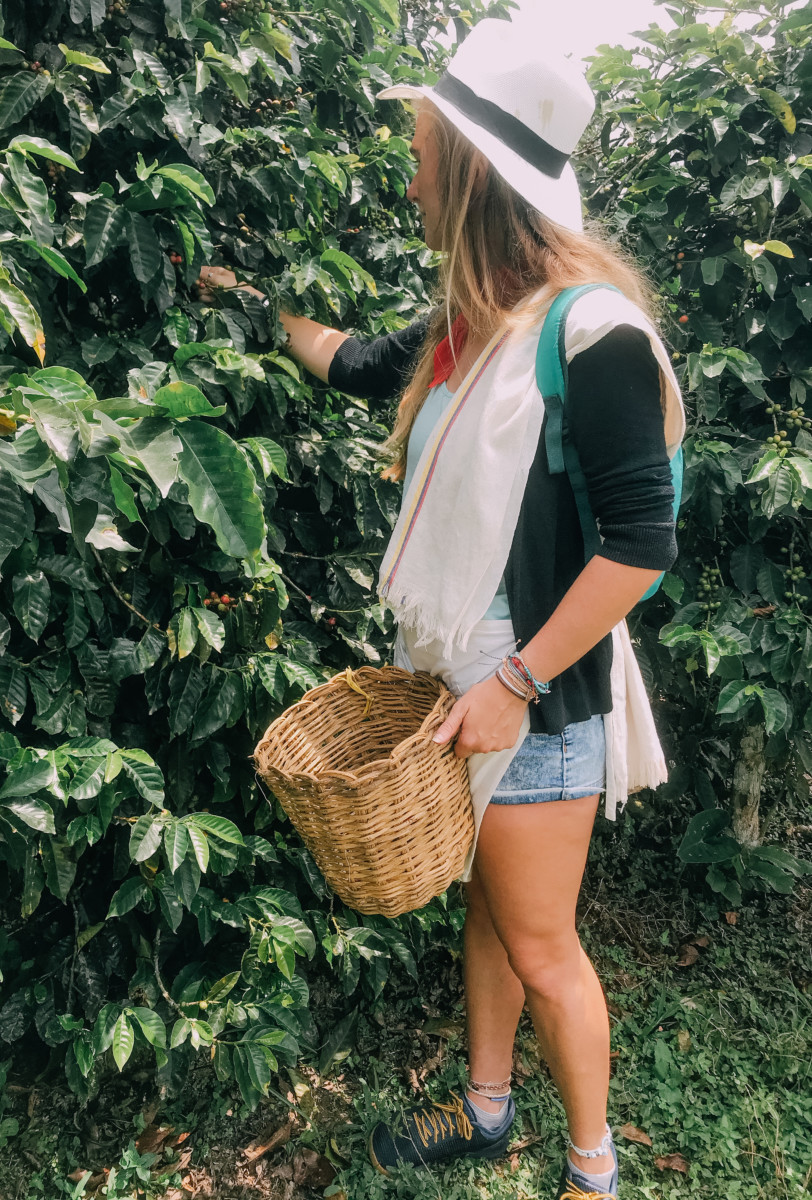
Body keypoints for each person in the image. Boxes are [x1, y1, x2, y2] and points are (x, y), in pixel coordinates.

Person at [198, 19, 684, 1200]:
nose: (410, 176)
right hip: (461, 692)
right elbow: (360, 361)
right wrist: (251, 308)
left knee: (544, 945)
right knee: (493, 913)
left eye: (422, 155)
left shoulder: (594, 335)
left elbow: (640, 549)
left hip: (532, 696)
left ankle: (593, 1172)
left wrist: (513, 690)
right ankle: (485, 1108)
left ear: (468, 175)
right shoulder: (477, 322)